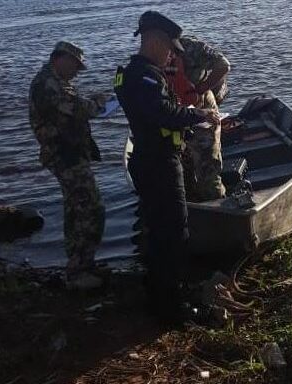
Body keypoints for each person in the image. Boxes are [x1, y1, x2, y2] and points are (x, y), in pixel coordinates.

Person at [114, 11, 220, 320]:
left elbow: (156, 112)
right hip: (159, 161)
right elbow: (162, 113)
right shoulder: (146, 75)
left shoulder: (129, 74)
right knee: (174, 232)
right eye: (170, 47)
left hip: (147, 158)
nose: (172, 54)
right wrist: (198, 115)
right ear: (156, 41)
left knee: (157, 228)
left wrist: (182, 115)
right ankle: (174, 306)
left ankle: (157, 292)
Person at [29, 41, 107, 289]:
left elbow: (74, 106)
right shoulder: (46, 84)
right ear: (60, 58)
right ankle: (78, 271)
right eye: (75, 65)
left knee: (82, 206)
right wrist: (100, 103)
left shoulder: (56, 82)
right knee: (86, 207)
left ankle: (83, 264)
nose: (77, 71)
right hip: (64, 155)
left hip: (71, 153)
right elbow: (76, 108)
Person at [167, 36, 231, 201]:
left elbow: (223, 65)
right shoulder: (152, 54)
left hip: (201, 105)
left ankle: (218, 204)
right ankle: (192, 204)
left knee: (208, 164)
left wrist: (201, 88)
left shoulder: (191, 47)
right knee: (183, 164)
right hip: (175, 110)